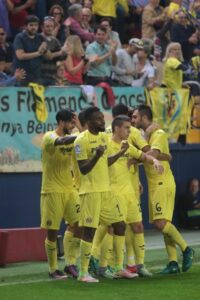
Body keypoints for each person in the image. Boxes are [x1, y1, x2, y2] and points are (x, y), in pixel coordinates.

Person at [74, 106, 134, 282]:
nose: (103, 121)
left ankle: (117, 268)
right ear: (89, 122)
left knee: (120, 225)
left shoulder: (103, 138)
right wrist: (96, 155)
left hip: (106, 191)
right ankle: (83, 273)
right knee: (89, 232)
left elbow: (105, 161)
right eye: (99, 119)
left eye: (102, 117)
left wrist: (120, 152)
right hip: (90, 192)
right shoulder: (80, 141)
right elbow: (84, 169)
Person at [132, 104, 194, 274]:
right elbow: (163, 155)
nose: (133, 120)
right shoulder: (146, 135)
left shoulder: (158, 133)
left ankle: (186, 248)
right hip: (155, 184)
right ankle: (173, 262)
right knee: (164, 224)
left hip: (162, 183)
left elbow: (152, 155)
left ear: (144, 118)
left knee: (160, 224)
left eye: (135, 117)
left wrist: (132, 160)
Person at [40, 109, 81, 279]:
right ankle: (52, 269)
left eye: (74, 122)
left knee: (78, 225)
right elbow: (62, 140)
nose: (72, 126)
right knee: (52, 231)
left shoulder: (76, 136)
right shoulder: (49, 137)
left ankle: (70, 264)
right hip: (52, 190)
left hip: (70, 189)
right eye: (70, 123)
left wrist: (79, 126)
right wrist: (81, 135)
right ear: (61, 122)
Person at [13, 15, 47, 85]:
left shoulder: (40, 38)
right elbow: (20, 56)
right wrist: (38, 53)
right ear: (25, 26)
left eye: (35, 25)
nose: (33, 27)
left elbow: (45, 52)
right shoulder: (19, 37)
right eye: (31, 25)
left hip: (37, 76)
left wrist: (44, 47)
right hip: (22, 75)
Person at [41, 16, 67, 86]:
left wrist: (64, 52)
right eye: (47, 26)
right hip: (40, 76)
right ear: (42, 27)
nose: (49, 28)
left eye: (51, 26)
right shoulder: (38, 39)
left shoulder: (55, 40)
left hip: (52, 76)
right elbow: (47, 56)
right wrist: (60, 52)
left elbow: (62, 57)